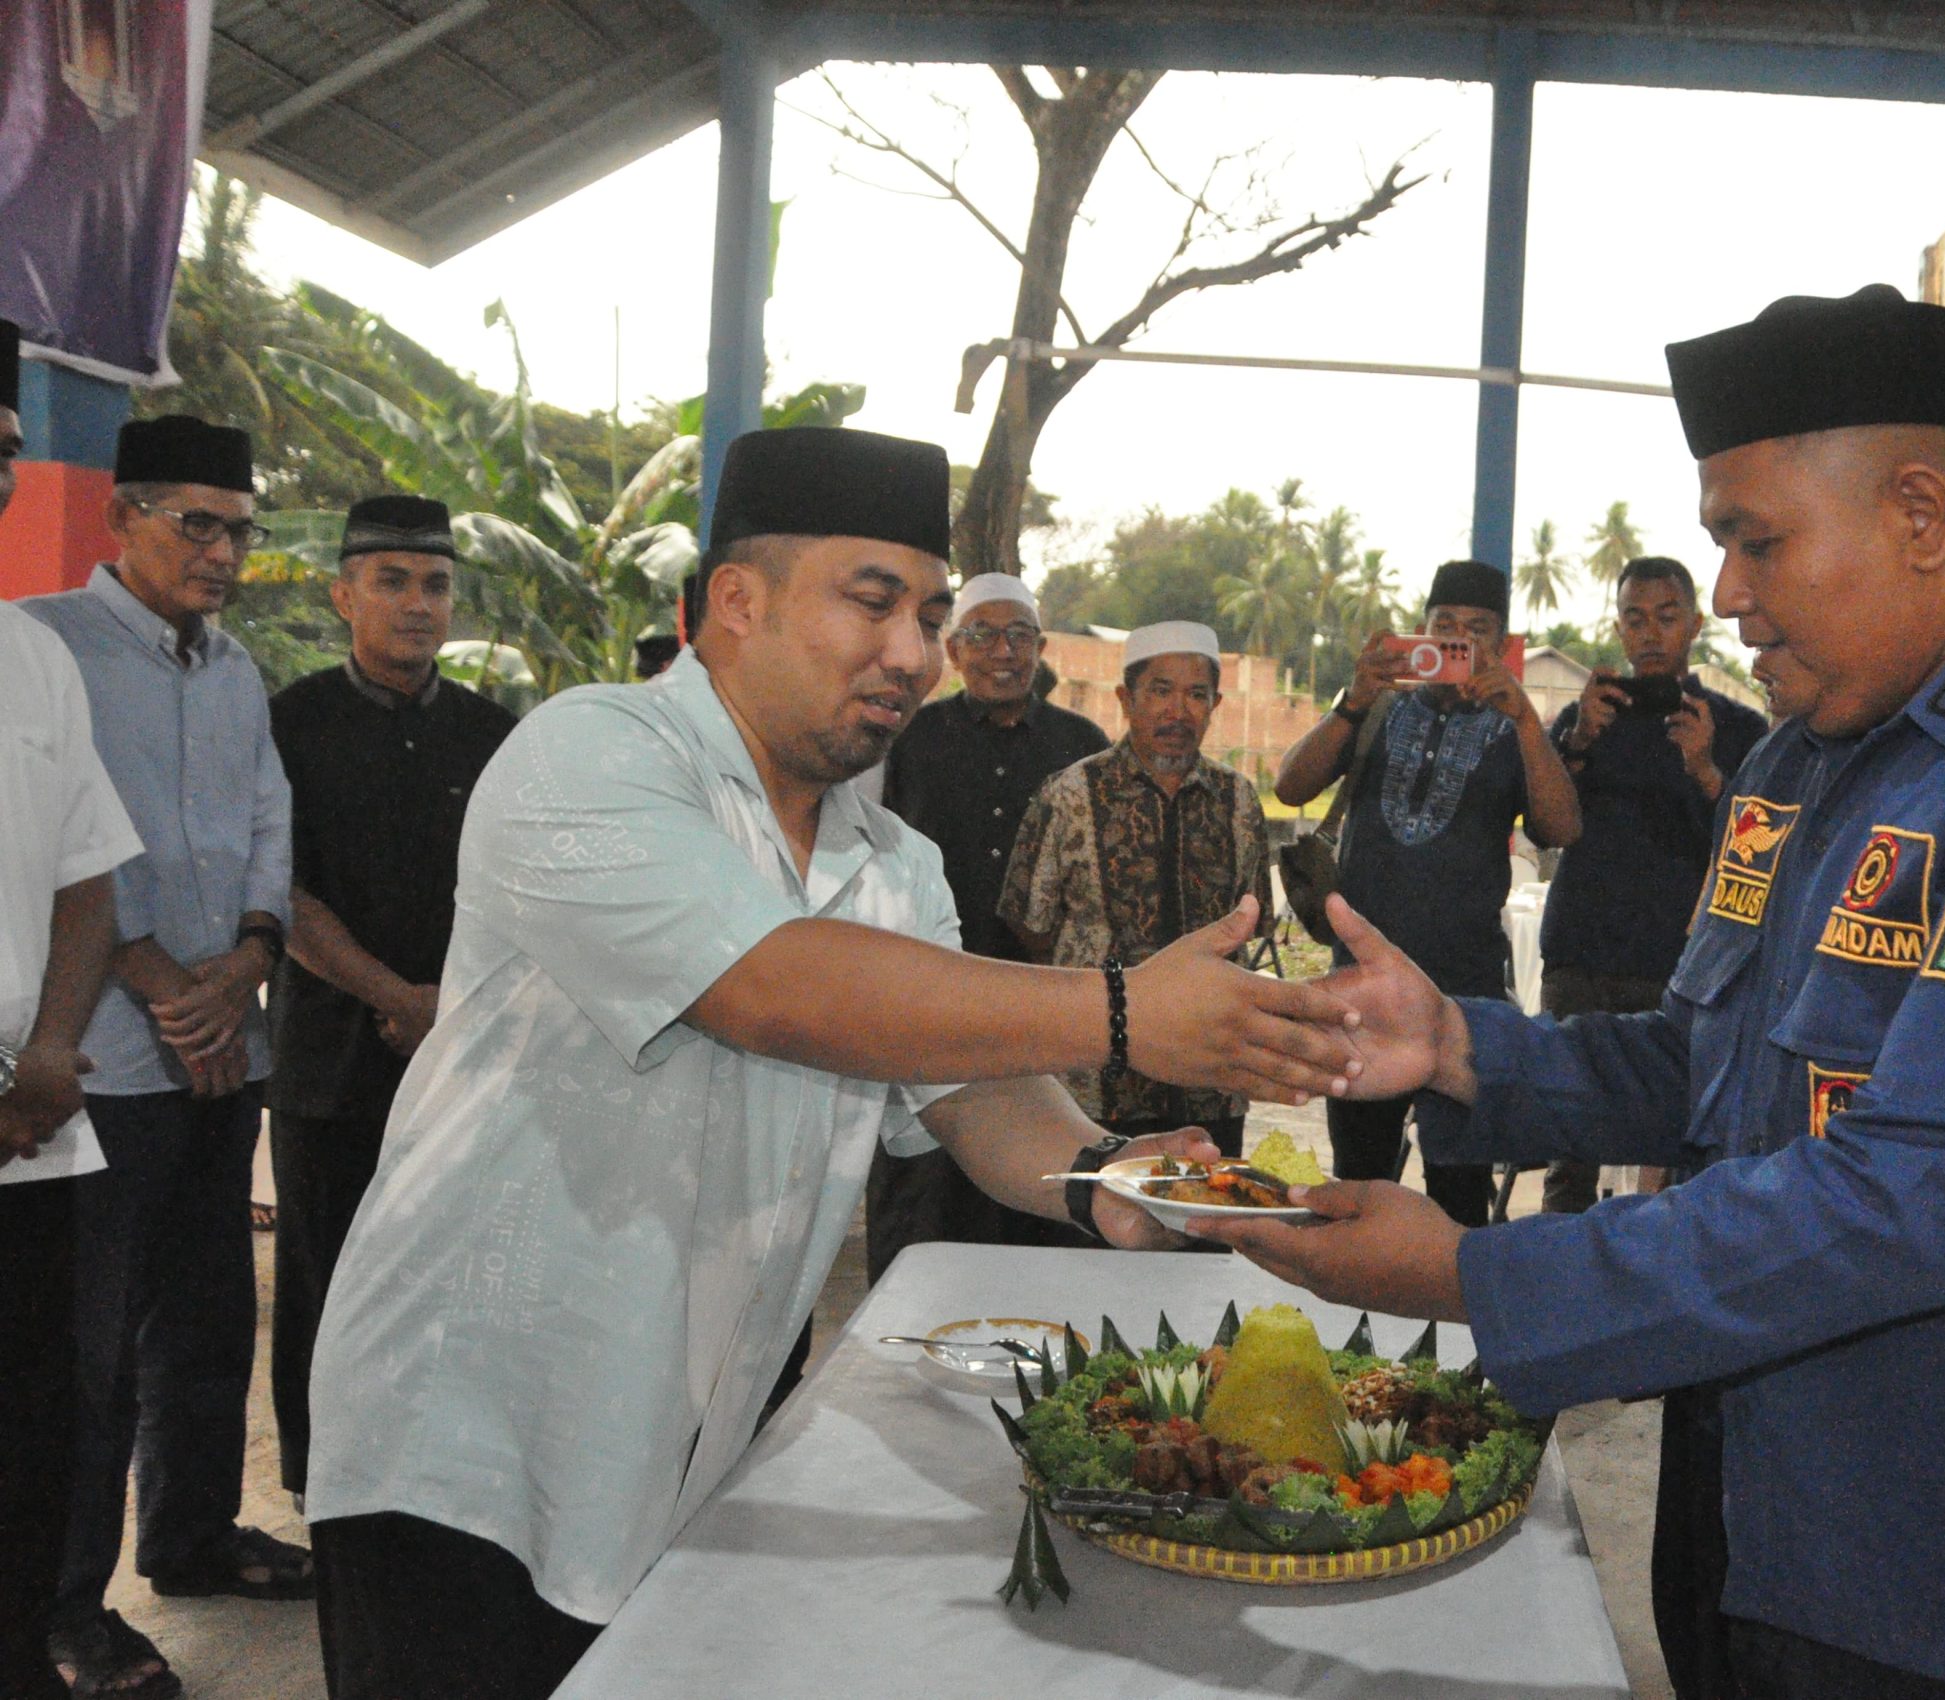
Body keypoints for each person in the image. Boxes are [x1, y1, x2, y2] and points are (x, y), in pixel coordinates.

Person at [1206, 285, 1945, 1700]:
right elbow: (1711, 1071)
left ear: (1919, 513)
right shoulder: (1800, 768)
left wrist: (1477, 1275)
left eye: (1754, 539)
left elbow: (1922, 1191)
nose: (1723, 592)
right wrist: (1465, 1056)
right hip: (1765, 1530)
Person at [299, 427, 1357, 1700]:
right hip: (469, 1440)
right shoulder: (595, 754)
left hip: (700, 1438)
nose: (912, 651)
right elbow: (775, 987)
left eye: (927, 611)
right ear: (737, 600)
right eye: (872, 601)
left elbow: (958, 1078)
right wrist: (1127, 1008)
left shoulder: (893, 860)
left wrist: (1100, 1169)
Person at [23, 415, 310, 1699]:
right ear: (119, 517)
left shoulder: (237, 668)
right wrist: (150, 979)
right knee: (83, 1347)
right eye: (195, 521)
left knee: (205, 1311)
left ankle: (190, 1537)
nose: (221, 549)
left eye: (239, 527)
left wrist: (247, 959)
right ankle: (65, 1608)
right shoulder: (44, 648)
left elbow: (264, 814)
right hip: (101, 1058)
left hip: (218, 1039)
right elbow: (57, 841)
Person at [263, 496, 518, 1505]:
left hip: (466, 1057)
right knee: (330, 1283)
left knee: (456, 1278)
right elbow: (279, 888)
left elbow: (519, 887)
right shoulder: (288, 724)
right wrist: (391, 994)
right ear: (343, 595)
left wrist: (448, 1005)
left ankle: (436, 1487)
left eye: (437, 583)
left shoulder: (493, 734)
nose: (419, 603)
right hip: (333, 1057)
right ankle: (326, 1491)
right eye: (393, 581)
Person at [1272, 559, 1581, 1226]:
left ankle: (1456, 1324)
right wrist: (1353, 697)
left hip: (1462, 1000)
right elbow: (1291, 787)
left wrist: (1525, 718)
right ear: (1419, 633)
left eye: (1476, 632)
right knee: (1357, 1187)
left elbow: (1562, 828)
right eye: (1444, 628)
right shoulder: (1380, 708)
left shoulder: (1513, 729)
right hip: (1361, 997)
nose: (1456, 644)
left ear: (1499, 646)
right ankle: (1353, 1320)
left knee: (1459, 1197)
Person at [1, 314, 148, 1700]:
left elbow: (85, 880)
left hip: (33, 1129)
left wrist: (52, 1051)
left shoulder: (29, 659)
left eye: (3, 454)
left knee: (35, 1426)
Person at [867, 572, 1108, 1278]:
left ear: (1039, 647)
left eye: (1019, 635)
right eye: (982, 635)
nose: (1003, 652)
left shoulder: (1081, 741)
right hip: (927, 1007)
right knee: (929, 1201)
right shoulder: (909, 738)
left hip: (1048, 1011)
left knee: (1045, 1188)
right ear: (957, 649)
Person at [1539, 556, 1766, 1214]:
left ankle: (1652, 1283)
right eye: (1636, 619)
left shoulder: (1739, 728)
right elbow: (1546, 826)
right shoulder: (1587, 720)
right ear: (1617, 628)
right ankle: (1557, 1287)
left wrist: (1705, 770)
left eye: (1667, 618)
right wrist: (1579, 737)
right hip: (1581, 955)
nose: (1651, 634)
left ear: (1695, 624)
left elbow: (1755, 852)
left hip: (1683, 968)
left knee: (1672, 1149)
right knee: (1567, 1143)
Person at [1001, 620, 1275, 1159]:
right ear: (1127, 699)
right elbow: (1029, 925)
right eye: (1161, 691)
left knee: (1204, 1221)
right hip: (1096, 1074)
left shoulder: (1238, 799)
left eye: (1196, 694)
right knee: (1097, 1223)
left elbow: (1251, 918)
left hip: (1210, 1076)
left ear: (1215, 703)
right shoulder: (1071, 793)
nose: (1178, 711)